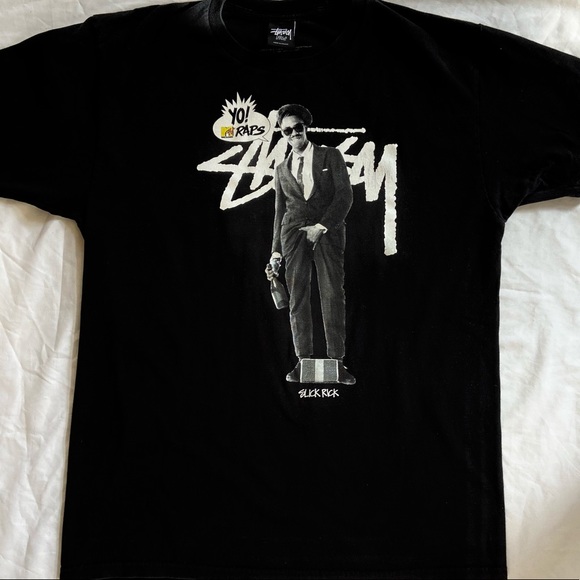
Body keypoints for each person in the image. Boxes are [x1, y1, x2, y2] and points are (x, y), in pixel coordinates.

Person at [266, 103, 355, 385]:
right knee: (297, 297)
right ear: (282, 134)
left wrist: (321, 226)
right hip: (292, 235)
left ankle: (337, 363)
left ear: (306, 127)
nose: (294, 133)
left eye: (298, 127)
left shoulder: (331, 155)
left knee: (332, 294)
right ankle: (302, 361)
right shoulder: (281, 169)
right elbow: (280, 212)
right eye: (287, 130)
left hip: (327, 232)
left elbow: (345, 196)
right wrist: (275, 253)